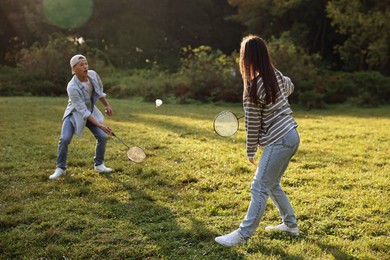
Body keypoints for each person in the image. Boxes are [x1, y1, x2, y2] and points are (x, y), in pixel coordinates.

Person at [215, 35, 300, 247]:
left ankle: (242, 235)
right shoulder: (277, 76)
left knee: (259, 186)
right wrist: (274, 102)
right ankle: (290, 225)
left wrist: (250, 151)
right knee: (272, 184)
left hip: (279, 139)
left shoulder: (252, 87)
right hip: (292, 135)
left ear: (247, 59)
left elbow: (252, 124)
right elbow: (290, 87)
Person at [49, 54, 114, 179]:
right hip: (74, 113)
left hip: (90, 111)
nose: (85, 67)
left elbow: (99, 92)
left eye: (86, 63)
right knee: (65, 139)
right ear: (74, 69)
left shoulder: (93, 75)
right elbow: (82, 111)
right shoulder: (72, 87)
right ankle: (60, 168)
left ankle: (99, 165)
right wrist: (101, 125)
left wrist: (107, 105)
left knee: (102, 136)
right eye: (81, 65)